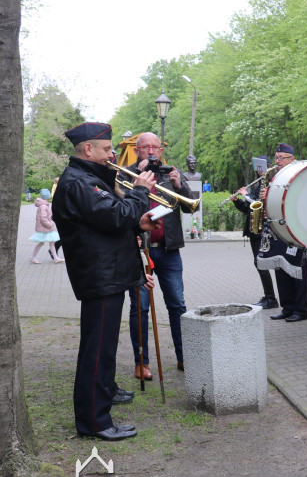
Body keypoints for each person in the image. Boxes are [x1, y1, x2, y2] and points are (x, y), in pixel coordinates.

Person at [52, 122, 158, 441]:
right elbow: (114, 216)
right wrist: (140, 190)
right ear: (88, 150)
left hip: (107, 274)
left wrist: (136, 220)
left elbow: (109, 220)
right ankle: (95, 422)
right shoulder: (80, 182)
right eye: (107, 149)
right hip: (100, 277)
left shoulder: (87, 179)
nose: (112, 154)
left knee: (104, 346)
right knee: (97, 350)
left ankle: (105, 393)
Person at [127, 132, 199, 376]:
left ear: (161, 150)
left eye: (155, 147)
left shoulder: (171, 173)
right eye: (145, 147)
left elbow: (191, 207)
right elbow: (121, 208)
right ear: (137, 151)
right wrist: (139, 175)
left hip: (169, 252)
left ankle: (184, 357)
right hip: (138, 253)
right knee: (140, 308)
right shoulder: (125, 173)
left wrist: (179, 184)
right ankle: (141, 363)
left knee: (177, 305)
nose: (150, 151)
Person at [258, 144, 307, 323]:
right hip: (278, 229)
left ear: (292, 159)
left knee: (297, 270)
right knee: (281, 269)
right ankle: (287, 307)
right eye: (276, 157)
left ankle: (301, 310)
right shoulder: (275, 177)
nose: (277, 161)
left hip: (294, 230)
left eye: (282, 158)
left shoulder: (299, 176)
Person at [231, 156, 279, 310]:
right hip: (253, 228)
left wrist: (246, 195)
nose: (258, 171)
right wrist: (237, 201)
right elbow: (250, 208)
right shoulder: (258, 184)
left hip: (262, 229)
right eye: (257, 168)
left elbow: (260, 203)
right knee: (258, 263)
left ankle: (271, 298)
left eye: (261, 167)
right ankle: (269, 296)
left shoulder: (270, 184)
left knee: (261, 263)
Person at [28, 187, 63, 264]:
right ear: (48, 196)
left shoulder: (44, 205)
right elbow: (43, 219)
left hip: (45, 228)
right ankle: (33, 257)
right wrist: (50, 224)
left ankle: (55, 258)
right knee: (42, 243)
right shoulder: (43, 206)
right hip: (45, 228)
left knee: (51, 243)